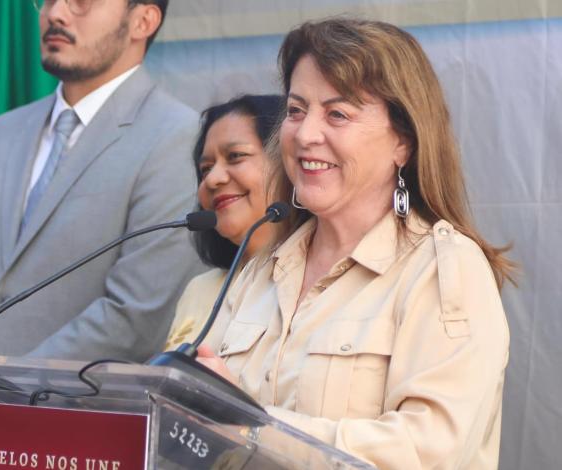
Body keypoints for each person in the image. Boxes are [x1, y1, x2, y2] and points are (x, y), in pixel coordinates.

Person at [195, 18, 514, 469]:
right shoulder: (263, 267)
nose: (305, 135)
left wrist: (253, 425)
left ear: (403, 141)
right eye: (296, 110)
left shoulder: (445, 268)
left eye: (338, 114)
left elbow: (427, 453)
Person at [0, 0, 201, 454]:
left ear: (143, 21)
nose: (56, 13)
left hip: (84, 437)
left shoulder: (178, 135)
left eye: (82, 2)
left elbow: (134, 314)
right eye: (48, 1)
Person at [164, 94, 282, 350]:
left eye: (236, 156)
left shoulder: (316, 280)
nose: (212, 179)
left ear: (289, 163)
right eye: (205, 168)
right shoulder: (199, 290)